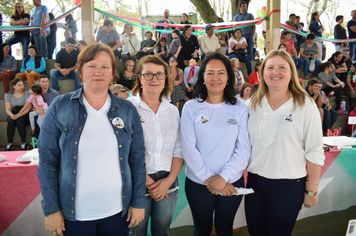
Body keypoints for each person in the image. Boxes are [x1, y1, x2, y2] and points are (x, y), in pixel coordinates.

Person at [37, 43, 146, 236]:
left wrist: (137, 202)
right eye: (91, 66)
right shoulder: (59, 107)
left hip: (117, 212)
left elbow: (137, 160)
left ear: (113, 73)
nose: (98, 72)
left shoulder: (127, 110)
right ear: (80, 71)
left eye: (105, 67)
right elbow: (47, 162)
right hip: (74, 216)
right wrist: (51, 209)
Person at [245, 49, 325, 235]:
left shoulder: (305, 104)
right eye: (270, 67)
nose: (275, 72)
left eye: (282, 67)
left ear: (291, 72)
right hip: (255, 184)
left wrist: (311, 190)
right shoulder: (253, 104)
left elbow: (314, 149)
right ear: (261, 73)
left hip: (288, 186)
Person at [180, 52, 250, 236]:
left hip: (230, 181)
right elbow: (188, 148)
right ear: (202, 77)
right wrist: (211, 180)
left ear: (228, 77)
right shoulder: (191, 107)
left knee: (225, 228)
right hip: (198, 183)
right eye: (210, 73)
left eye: (221, 72)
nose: (215, 78)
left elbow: (243, 149)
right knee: (201, 230)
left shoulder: (239, 107)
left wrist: (224, 177)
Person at [128, 55, 184, 236]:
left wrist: (168, 181)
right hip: (137, 180)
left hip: (168, 180)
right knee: (137, 232)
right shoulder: (128, 108)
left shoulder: (172, 110)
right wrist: (149, 183)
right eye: (148, 74)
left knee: (162, 231)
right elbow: (124, 151)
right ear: (139, 77)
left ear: (166, 78)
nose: (154, 79)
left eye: (159, 74)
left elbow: (178, 148)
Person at [5, 78, 31, 151]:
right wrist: (11, 115)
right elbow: (8, 108)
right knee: (11, 120)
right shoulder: (8, 95)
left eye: (22, 85)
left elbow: (28, 108)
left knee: (20, 120)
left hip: (24, 113)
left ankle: (23, 143)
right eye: (19, 85)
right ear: (14, 86)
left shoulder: (27, 94)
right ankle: (9, 143)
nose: (21, 87)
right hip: (14, 112)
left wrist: (19, 115)